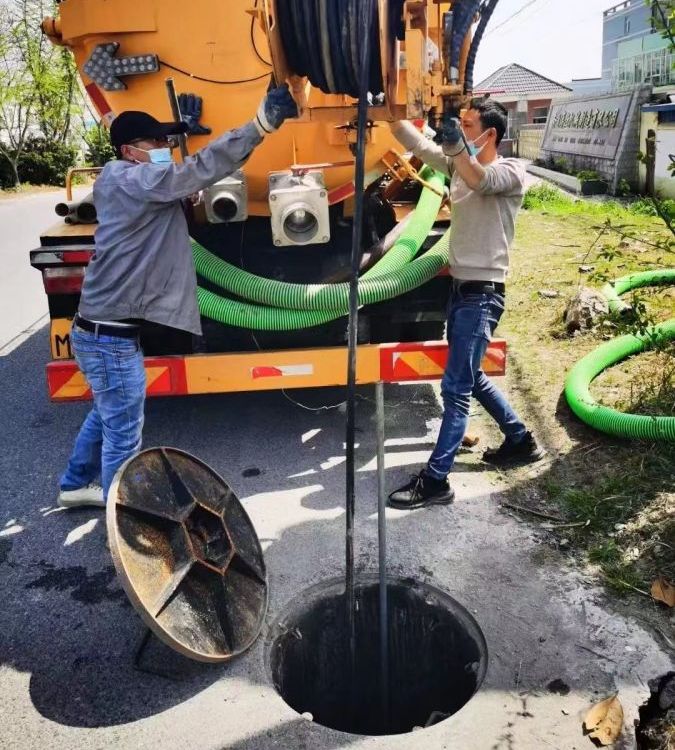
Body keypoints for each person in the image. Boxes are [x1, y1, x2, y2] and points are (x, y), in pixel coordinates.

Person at [58, 86, 298, 509]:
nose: (163, 149)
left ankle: (75, 483)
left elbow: (185, 182)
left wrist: (186, 140)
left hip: (99, 330)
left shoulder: (129, 181)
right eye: (156, 142)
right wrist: (259, 126)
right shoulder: (129, 178)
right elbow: (194, 171)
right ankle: (126, 519)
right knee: (124, 431)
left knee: (107, 411)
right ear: (131, 150)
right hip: (109, 337)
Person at [388, 98, 545, 511]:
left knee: (455, 388)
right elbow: (420, 147)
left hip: (483, 295)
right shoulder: (461, 164)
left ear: (489, 134)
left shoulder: (511, 172)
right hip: (461, 291)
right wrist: (389, 111)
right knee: (469, 376)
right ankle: (519, 439)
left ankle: (436, 482)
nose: (459, 130)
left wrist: (456, 149)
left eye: (468, 124)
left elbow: (479, 179)